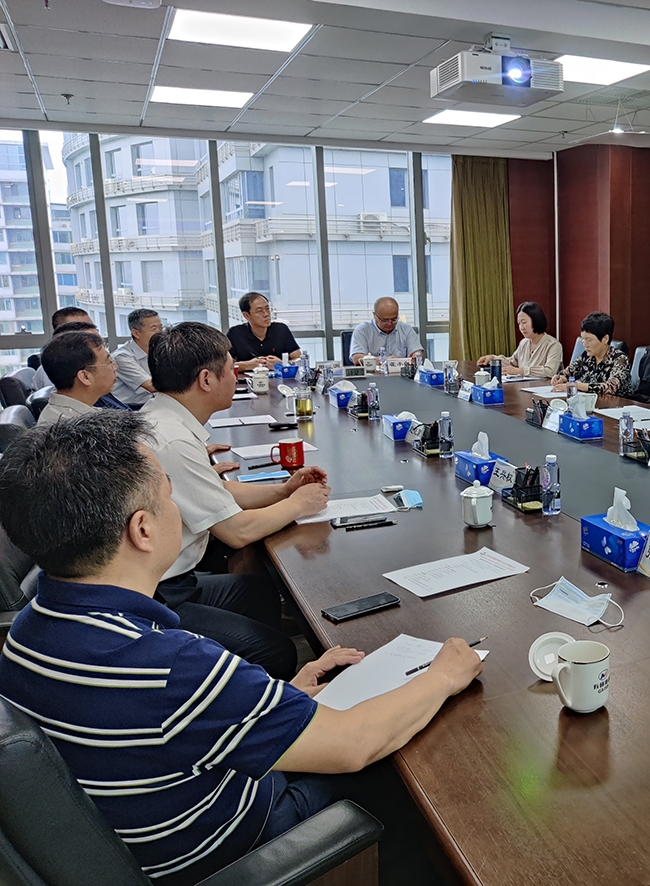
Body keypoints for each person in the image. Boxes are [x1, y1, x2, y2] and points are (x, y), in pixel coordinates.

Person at [0, 412, 483, 886]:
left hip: (155, 826)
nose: (180, 508)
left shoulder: (27, 629)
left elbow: (159, 728)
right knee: (410, 771)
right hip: (246, 849)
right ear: (142, 530)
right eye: (169, 495)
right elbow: (356, 744)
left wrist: (277, 698)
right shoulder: (173, 666)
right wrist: (442, 676)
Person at [142, 322, 332, 678]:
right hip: (156, 596)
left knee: (258, 592)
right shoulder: (172, 441)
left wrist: (284, 490)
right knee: (277, 652)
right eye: (232, 369)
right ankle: (255, 688)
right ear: (206, 379)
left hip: (168, 580)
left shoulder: (165, 418)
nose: (237, 375)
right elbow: (237, 532)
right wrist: (299, 505)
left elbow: (217, 493)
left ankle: (244, 680)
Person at [36, 329, 118, 424]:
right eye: (109, 362)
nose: (116, 367)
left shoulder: (76, 411)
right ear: (85, 377)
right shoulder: (72, 426)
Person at [551, 312, 632, 397]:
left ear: (605, 339)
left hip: (618, 403)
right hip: (590, 401)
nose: (585, 345)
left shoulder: (620, 359)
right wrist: (560, 378)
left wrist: (577, 386)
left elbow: (610, 388)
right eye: (583, 340)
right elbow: (569, 372)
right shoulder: (587, 356)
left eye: (589, 340)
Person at [477, 301, 563, 377]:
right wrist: (493, 359)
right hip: (524, 387)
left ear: (536, 321)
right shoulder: (524, 343)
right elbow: (512, 362)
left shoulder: (553, 345)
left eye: (524, 322)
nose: (521, 327)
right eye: (519, 323)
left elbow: (550, 371)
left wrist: (521, 371)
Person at [227, 292, 301, 371]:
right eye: (259, 311)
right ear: (247, 315)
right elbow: (224, 365)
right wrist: (249, 365)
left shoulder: (281, 330)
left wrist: (281, 364)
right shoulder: (235, 334)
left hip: (278, 378)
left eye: (267, 309)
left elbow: (299, 359)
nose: (266, 314)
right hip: (247, 379)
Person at [31, 306, 92, 389]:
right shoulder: (53, 371)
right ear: (60, 334)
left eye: (90, 327)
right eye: (78, 330)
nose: (90, 334)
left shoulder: (89, 361)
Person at [111, 307, 162, 407]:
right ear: (136, 333)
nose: (160, 333)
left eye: (161, 328)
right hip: (130, 408)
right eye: (154, 329)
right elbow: (151, 386)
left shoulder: (159, 350)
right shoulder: (121, 357)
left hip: (153, 403)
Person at [350, 297, 424, 364]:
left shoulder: (406, 329)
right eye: (385, 320)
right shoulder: (362, 330)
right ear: (374, 315)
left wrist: (416, 356)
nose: (389, 323)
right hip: (372, 373)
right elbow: (356, 358)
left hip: (401, 372)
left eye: (394, 319)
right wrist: (383, 360)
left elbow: (417, 352)